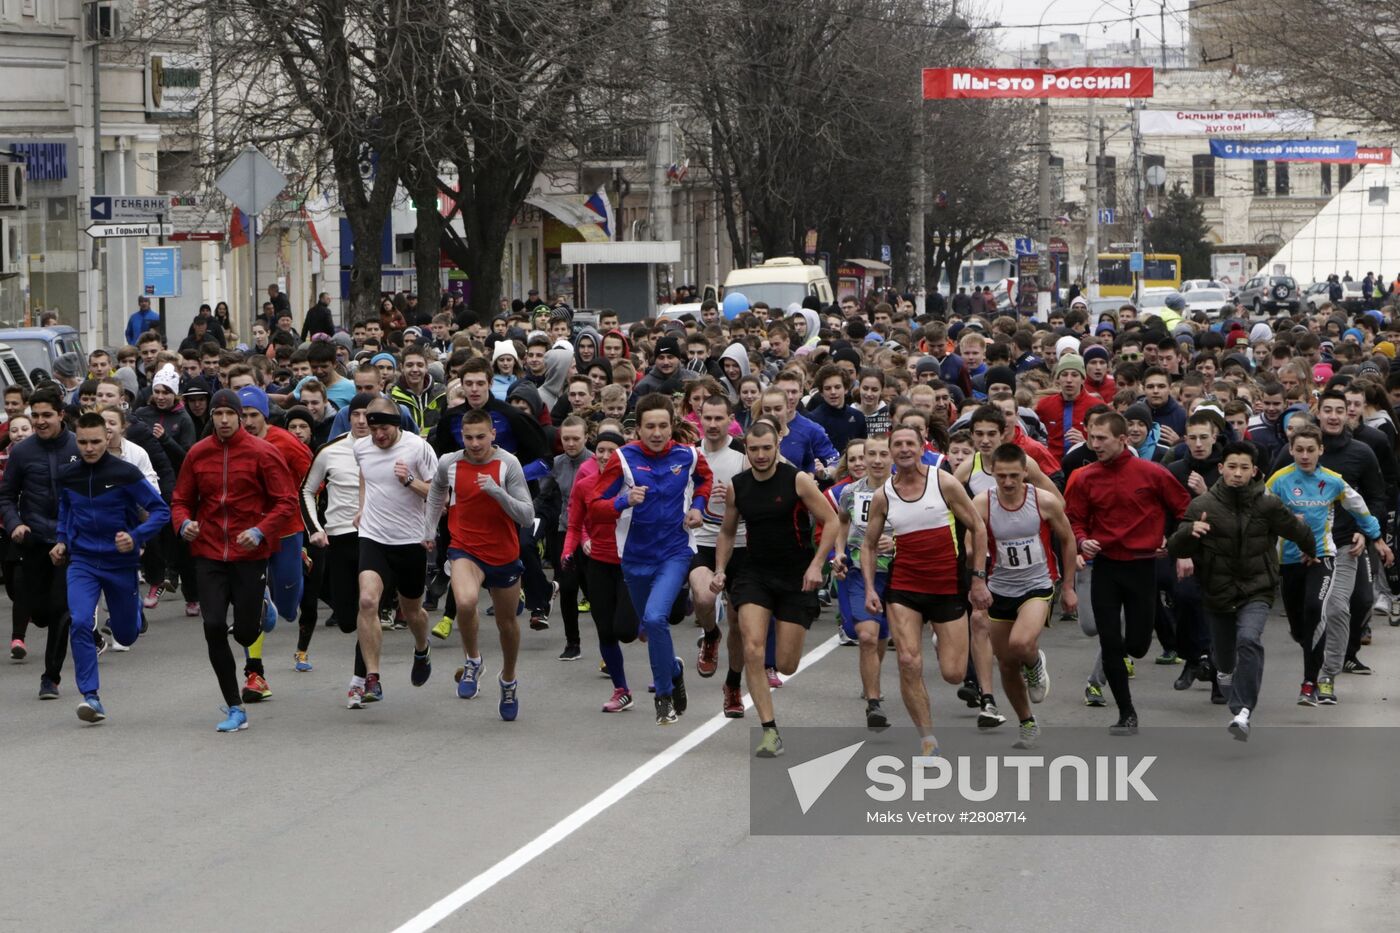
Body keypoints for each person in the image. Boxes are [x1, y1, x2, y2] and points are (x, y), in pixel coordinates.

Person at [861, 424, 993, 757]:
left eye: (910, 443)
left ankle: (941, 638)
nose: (904, 449)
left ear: (923, 447)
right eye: (897, 444)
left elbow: (977, 527)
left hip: (947, 585)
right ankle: (927, 739)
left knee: (952, 673)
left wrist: (977, 578)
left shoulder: (943, 481)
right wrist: (869, 588)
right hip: (904, 586)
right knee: (907, 660)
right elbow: (868, 543)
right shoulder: (884, 495)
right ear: (891, 451)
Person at [1170, 440, 1316, 740]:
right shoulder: (1203, 506)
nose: (1237, 474)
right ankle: (1224, 674)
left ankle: (1243, 711)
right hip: (1217, 591)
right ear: (1221, 468)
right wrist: (1189, 532)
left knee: (1249, 639)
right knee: (1224, 661)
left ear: (1254, 471)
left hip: (1257, 588)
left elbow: (1297, 529)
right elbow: (1175, 546)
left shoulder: (1268, 504)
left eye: (1244, 468)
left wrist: (1310, 551)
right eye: (1232, 467)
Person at [171, 389, 298, 732]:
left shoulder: (263, 452)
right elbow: (180, 499)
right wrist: (184, 523)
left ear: (241, 416)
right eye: (218, 414)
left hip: (249, 553)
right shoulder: (198, 454)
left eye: (230, 414)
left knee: (244, 634)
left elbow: (286, 502)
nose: (224, 420)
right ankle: (234, 706)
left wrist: (260, 530)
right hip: (210, 551)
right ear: (210, 417)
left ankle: (259, 609)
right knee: (213, 626)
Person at [713, 420, 838, 758]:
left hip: (797, 576)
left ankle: (777, 674)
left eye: (767, 448)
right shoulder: (739, 486)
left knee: (786, 664)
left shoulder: (796, 479)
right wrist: (721, 569)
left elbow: (832, 521)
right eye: (753, 449)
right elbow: (726, 532)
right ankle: (769, 730)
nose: (760, 455)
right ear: (746, 450)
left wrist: (817, 565)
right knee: (753, 648)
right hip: (755, 574)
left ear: (777, 447)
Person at [1065, 411, 1190, 735]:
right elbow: (1073, 519)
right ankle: (1126, 713)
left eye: (1102, 439)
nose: (1095, 445)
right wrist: (1082, 541)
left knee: (1136, 645)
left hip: (1142, 564)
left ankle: (1136, 649)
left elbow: (1184, 508)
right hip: (1105, 565)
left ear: (1123, 439)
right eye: (1091, 438)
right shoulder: (1083, 477)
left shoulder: (1151, 473)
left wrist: (1174, 542)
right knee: (1109, 642)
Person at [592, 394, 712, 726]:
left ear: (672, 426)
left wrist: (698, 508)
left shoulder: (687, 455)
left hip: (674, 552)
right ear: (638, 429)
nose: (657, 433)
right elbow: (595, 507)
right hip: (634, 557)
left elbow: (704, 481)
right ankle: (673, 670)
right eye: (650, 427)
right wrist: (623, 501)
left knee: (657, 619)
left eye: (662, 426)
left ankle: (663, 697)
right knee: (649, 623)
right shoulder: (622, 459)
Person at [52, 412, 169, 723]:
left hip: (120, 564)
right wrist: (62, 539)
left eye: (95, 441)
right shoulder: (69, 475)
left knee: (126, 635)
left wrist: (135, 536)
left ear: (108, 439)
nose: (89, 448)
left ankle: (132, 617)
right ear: (76, 441)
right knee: (79, 622)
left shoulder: (126, 473)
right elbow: (65, 508)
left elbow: (161, 511)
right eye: (83, 442)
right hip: (83, 561)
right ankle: (91, 696)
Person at [1267, 424, 1392, 706]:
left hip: (1323, 556)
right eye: (1299, 450)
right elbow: (1260, 515)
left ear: (1321, 450)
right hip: (1289, 560)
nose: (1305, 455)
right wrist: (1287, 523)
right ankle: (1308, 650)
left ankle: (1312, 682)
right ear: (1291, 450)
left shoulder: (1334, 481)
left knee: (1317, 610)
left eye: (1311, 450)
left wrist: (1377, 539)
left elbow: (1360, 508)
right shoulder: (1278, 480)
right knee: (1301, 628)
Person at [425, 408, 534, 720]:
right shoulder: (449, 462)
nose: (474, 443)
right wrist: (428, 530)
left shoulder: (507, 464)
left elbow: (526, 516)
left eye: (480, 437)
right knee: (466, 600)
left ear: (493, 435)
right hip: (465, 548)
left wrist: (497, 492)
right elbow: (435, 495)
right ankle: (473, 661)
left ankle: (508, 679)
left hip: (503, 553)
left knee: (507, 623)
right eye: (468, 437)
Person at [973, 443, 1078, 749]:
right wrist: (977, 580)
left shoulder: (1043, 501)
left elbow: (1068, 540)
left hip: (1038, 584)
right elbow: (974, 544)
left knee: (1021, 644)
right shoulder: (982, 504)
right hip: (1000, 588)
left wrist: (1068, 586)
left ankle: (1034, 665)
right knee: (1005, 663)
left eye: (1014, 476)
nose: (1007, 482)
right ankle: (1027, 722)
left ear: (1025, 474)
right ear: (992, 473)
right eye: (1001, 476)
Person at [346, 398, 440, 708]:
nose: (378, 435)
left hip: (410, 540)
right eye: (373, 429)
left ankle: (422, 647)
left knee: (411, 610)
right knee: (367, 600)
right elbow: (365, 475)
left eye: (383, 428)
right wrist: (362, 508)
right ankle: (372, 677)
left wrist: (409, 480)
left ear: (396, 424)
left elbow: (441, 493)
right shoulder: (361, 447)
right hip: (373, 536)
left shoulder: (417, 448)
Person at [0, 387, 80, 699]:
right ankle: (39, 613)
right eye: (36, 416)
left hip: (67, 542)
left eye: (47, 415)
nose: (41, 421)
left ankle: (51, 677)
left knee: (62, 609)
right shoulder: (22, 452)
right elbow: (6, 495)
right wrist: (14, 523)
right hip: (32, 542)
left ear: (61, 414)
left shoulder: (77, 445)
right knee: (42, 613)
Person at [237, 385, 312, 696]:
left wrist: (293, 499)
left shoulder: (285, 442)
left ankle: (287, 582)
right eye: (243, 416)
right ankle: (255, 675)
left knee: (288, 608)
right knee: (250, 603)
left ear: (265, 415)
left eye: (254, 415)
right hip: (248, 533)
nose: (248, 421)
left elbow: (313, 475)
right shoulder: (233, 444)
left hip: (286, 529)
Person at [561, 422, 642, 712]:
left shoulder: (635, 485)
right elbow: (574, 524)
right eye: (601, 451)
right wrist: (568, 550)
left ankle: (668, 663)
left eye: (612, 451)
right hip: (598, 563)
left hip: (631, 564)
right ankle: (622, 690)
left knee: (626, 630)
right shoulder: (584, 485)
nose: (605, 456)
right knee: (605, 630)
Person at [687, 395, 749, 718]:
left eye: (718, 418)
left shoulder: (742, 457)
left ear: (730, 419)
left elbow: (758, 501)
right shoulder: (690, 455)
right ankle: (710, 633)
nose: (712, 425)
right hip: (701, 541)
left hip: (740, 544)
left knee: (739, 622)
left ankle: (733, 684)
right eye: (706, 418)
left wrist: (737, 500)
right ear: (699, 417)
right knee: (704, 597)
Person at [834, 434, 896, 728]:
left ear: (892, 457)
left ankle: (872, 676)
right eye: (871, 454)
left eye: (883, 454)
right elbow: (842, 523)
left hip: (898, 572)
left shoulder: (907, 490)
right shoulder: (850, 492)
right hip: (860, 570)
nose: (876, 460)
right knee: (867, 636)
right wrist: (838, 553)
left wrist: (895, 543)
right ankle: (874, 702)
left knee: (880, 634)